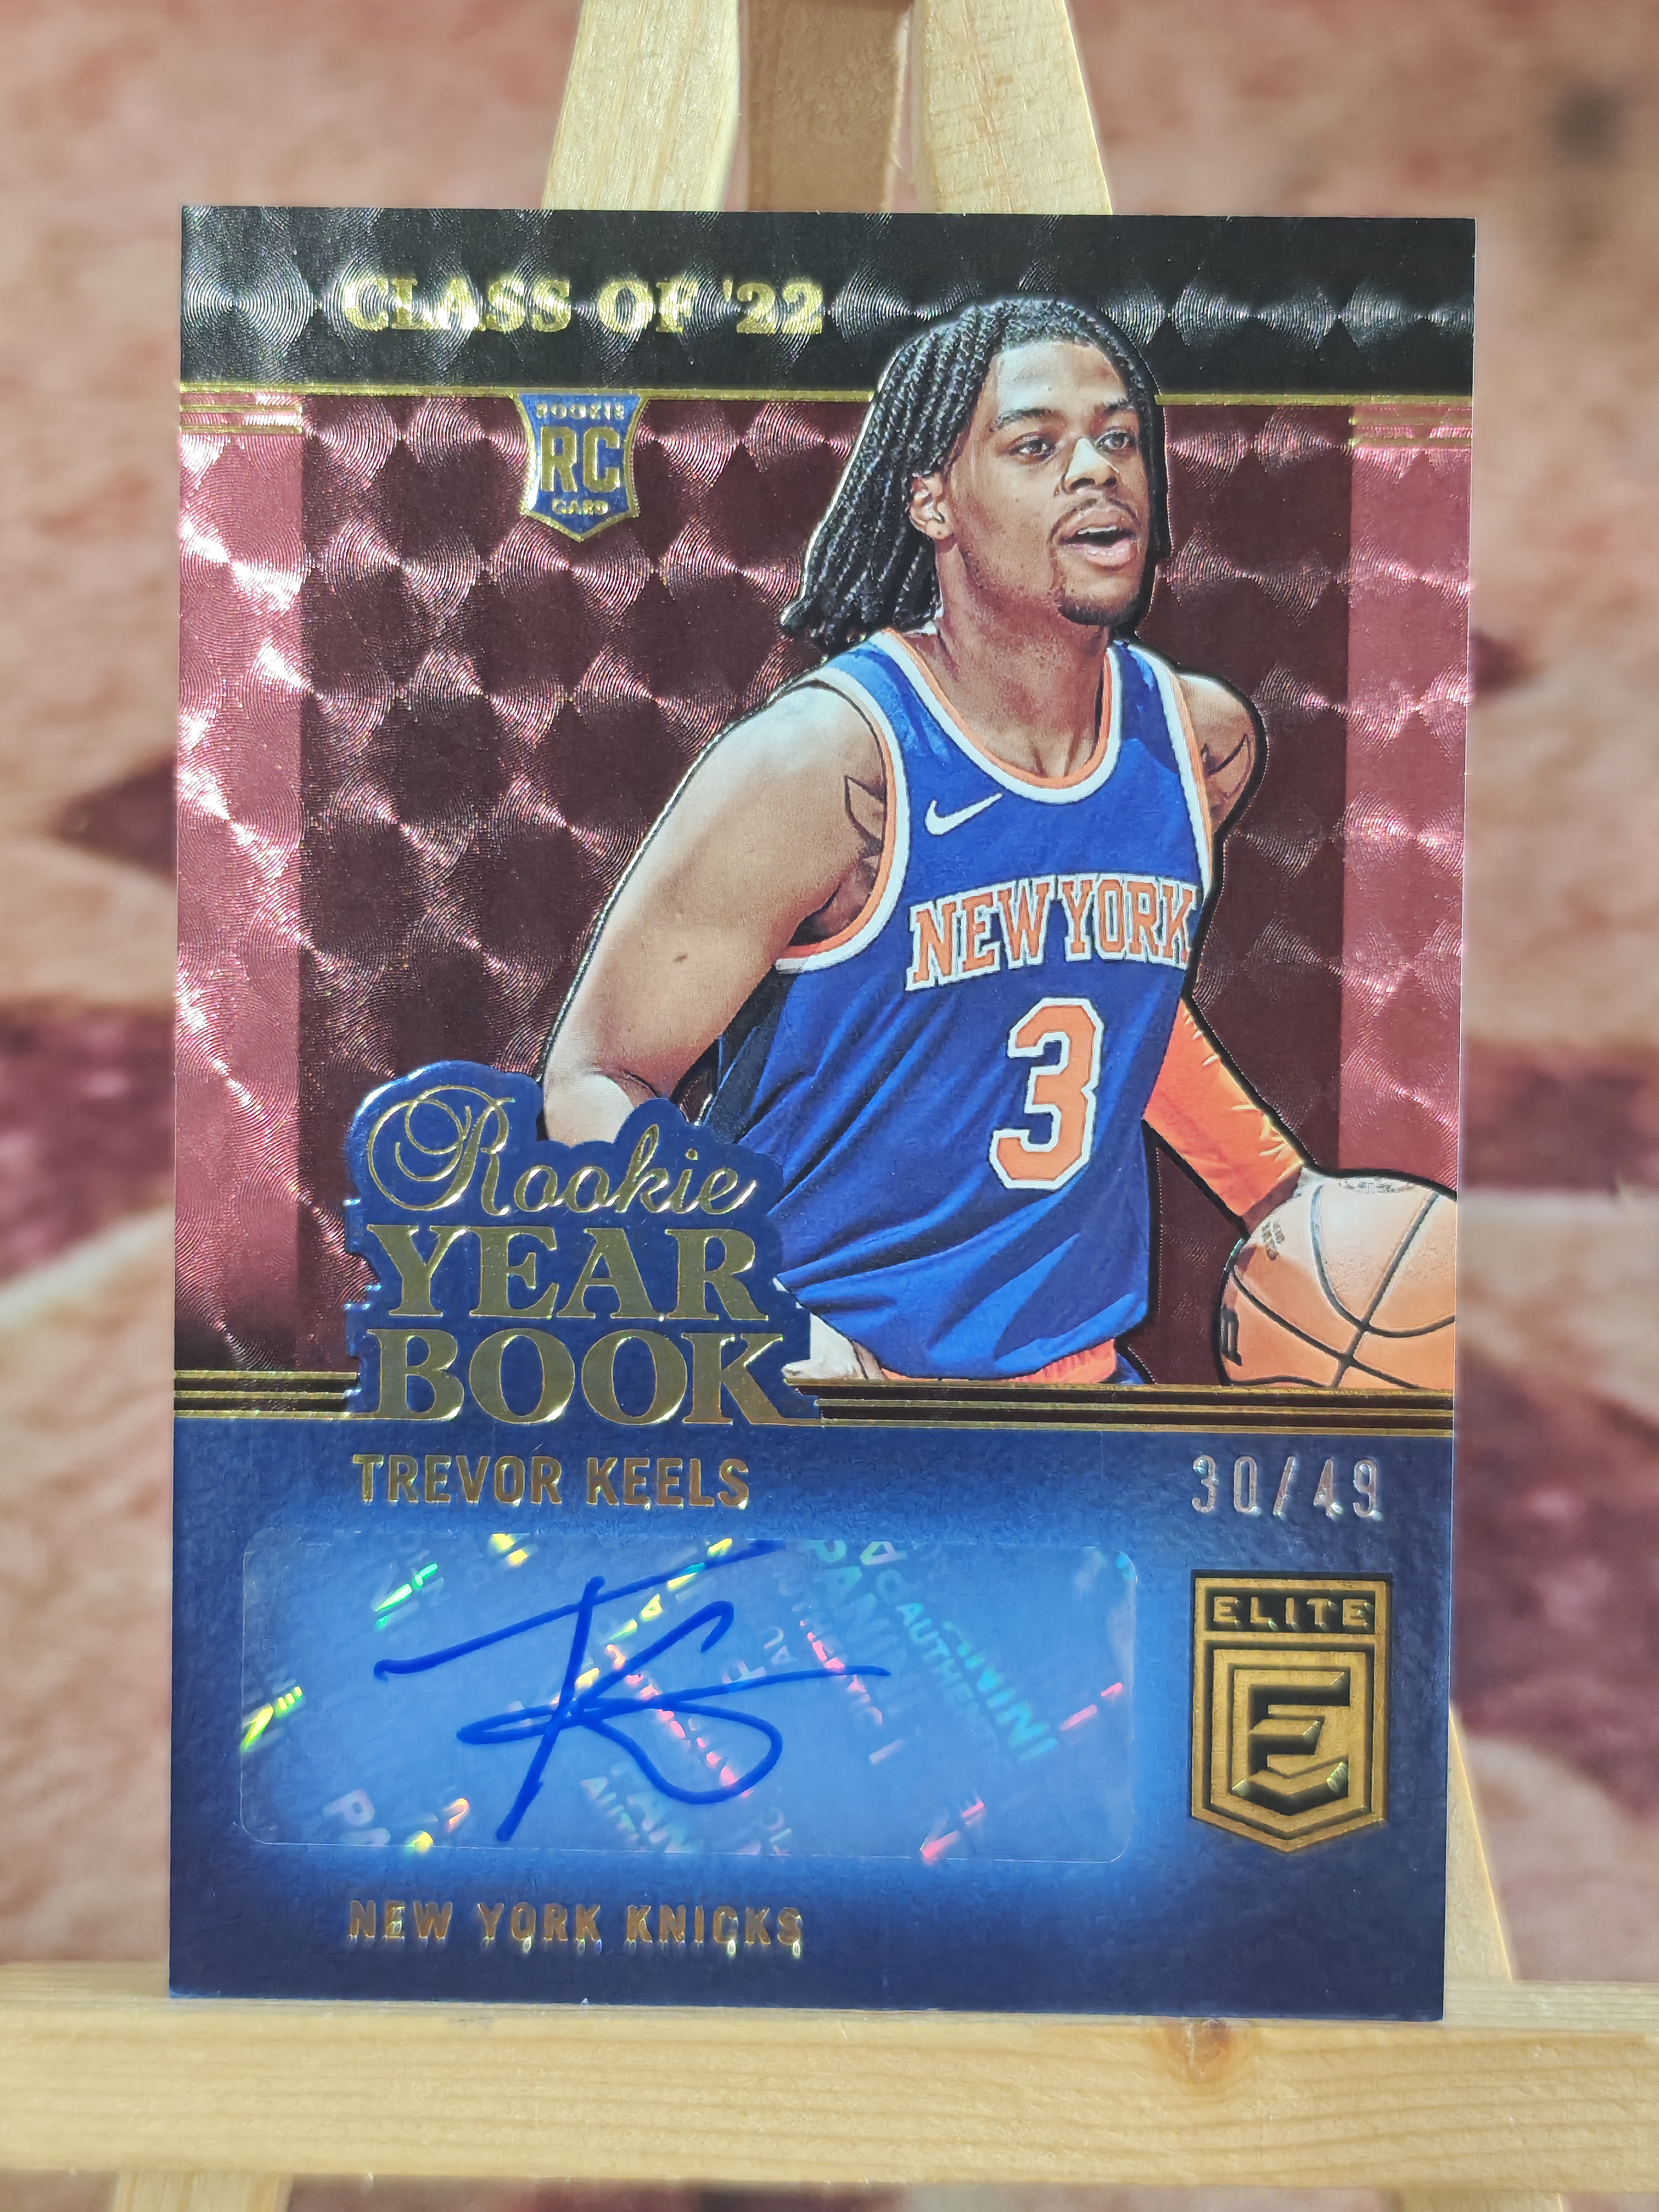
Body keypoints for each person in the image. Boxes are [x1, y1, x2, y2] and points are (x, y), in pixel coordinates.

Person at [541, 298, 1310, 1384]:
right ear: (932, 500)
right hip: (835, 1397)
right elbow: (592, 1079)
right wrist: (760, 1331)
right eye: (1037, 445)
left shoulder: (1195, 743)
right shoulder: (826, 763)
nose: (1099, 470)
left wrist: (1284, 1195)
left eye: (1120, 438)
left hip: (1082, 1394)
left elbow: (1106, 994)